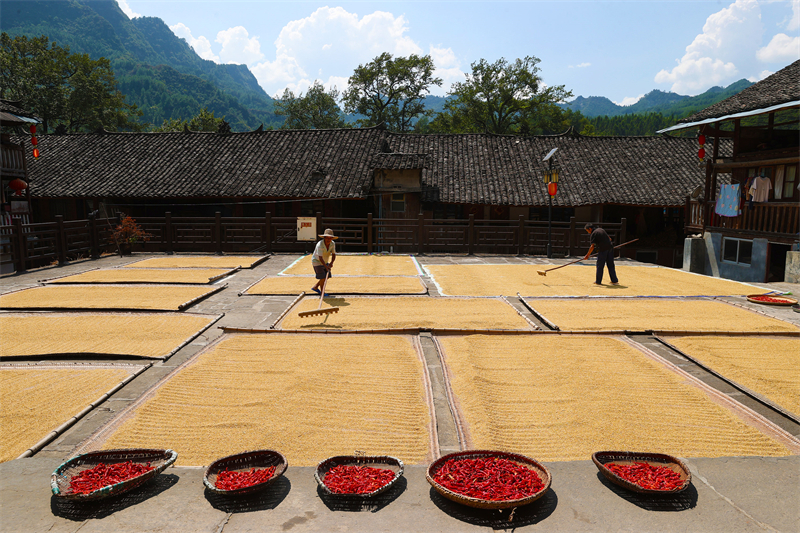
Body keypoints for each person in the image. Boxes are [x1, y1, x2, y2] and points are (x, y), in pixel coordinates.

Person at [311, 228, 337, 294]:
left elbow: (334, 254)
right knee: (322, 277)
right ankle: (322, 292)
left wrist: (331, 263)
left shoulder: (332, 244)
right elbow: (320, 257)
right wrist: (326, 266)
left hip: (325, 261)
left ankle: (315, 287)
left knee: (327, 276)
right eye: (327, 238)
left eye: (330, 238)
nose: (328, 240)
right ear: (324, 238)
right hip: (317, 261)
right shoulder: (320, 244)